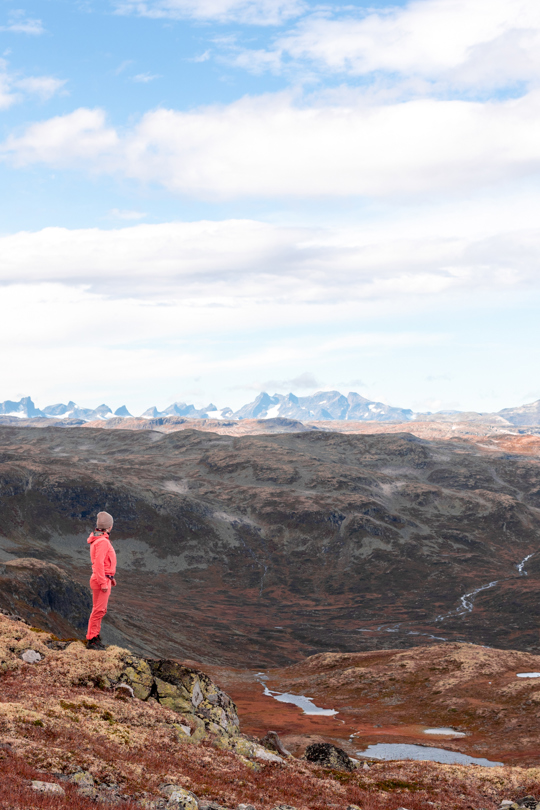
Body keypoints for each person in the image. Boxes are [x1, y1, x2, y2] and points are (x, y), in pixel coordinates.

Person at [86, 511, 117, 650]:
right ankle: (92, 639)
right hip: (101, 580)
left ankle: (94, 637)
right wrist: (104, 582)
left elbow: (102, 563)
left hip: (102, 578)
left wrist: (110, 578)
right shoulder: (103, 541)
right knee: (99, 610)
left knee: (99, 610)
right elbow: (99, 564)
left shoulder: (97, 539)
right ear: (109, 527)